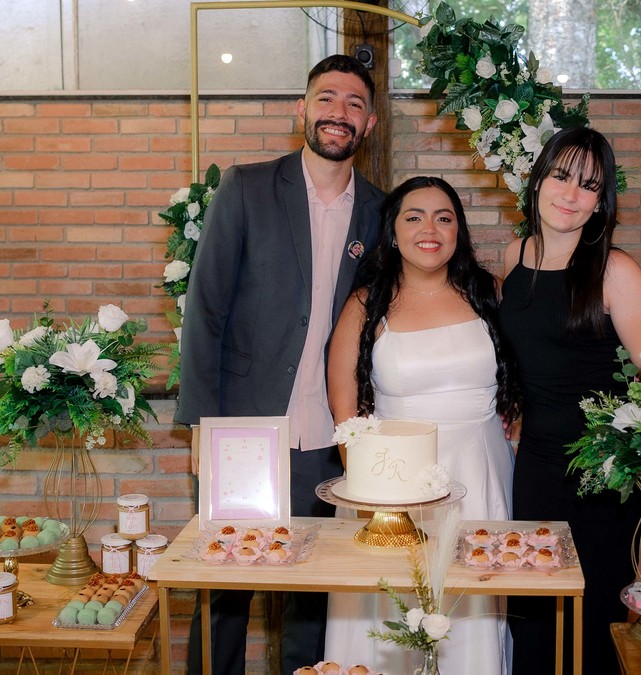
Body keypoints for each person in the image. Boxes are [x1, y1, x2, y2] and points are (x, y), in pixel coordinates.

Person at [174, 54, 384, 675]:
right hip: (242, 428)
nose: (339, 112)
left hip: (330, 436)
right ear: (302, 109)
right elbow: (205, 309)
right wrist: (201, 424)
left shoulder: (381, 211)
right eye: (327, 98)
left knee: (311, 597)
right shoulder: (247, 187)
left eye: (354, 104)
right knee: (225, 590)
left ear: (370, 123)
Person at [324, 176, 519, 674]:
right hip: (394, 483)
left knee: (470, 604)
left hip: (479, 471)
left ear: (458, 232)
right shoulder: (365, 305)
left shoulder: (491, 294)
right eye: (414, 217)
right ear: (393, 232)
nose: (429, 229)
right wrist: (376, 496)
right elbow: (345, 411)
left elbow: (528, 376)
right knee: (390, 607)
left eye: (443, 218)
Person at [499, 126, 641, 674]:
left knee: (594, 624)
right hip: (537, 468)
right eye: (561, 176)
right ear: (538, 179)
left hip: (605, 478)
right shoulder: (514, 258)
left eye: (589, 186)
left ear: (601, 201)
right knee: (533, 618)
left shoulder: (616, 270)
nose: (571, 194)